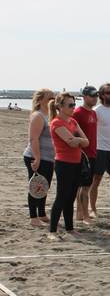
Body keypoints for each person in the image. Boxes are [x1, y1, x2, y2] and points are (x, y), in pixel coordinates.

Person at [48, 92, 90, 240]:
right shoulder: (56, 122)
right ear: (60, 106)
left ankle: (69, 228)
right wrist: (78, 140)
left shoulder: (73, 122)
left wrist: (77, 140)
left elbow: (86, 141)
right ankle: (52, 231)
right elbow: (70, 142)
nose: (73, 107)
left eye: (74, 104)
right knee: (62, 196)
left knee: (71, 197)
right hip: (63, 163)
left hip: (76, 163)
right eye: (70, 105)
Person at [23, 89, 55, 227]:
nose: (52, 100)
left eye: (53, 98)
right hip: (35, 156)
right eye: (49, 98)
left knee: (45, 186)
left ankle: (41, 213)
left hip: (49, 158)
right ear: (41, 100)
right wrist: (37, 158)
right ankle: (33, 217)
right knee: (36, 185)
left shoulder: (51, 115)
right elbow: (33, 138)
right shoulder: (38, 116)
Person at [90, 83, 110, 218]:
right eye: (109, 92)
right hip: (100, 149)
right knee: (95, 180)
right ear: (102, 95)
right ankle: (93, 209)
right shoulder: (97, 111)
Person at [72, 86, 98, 224]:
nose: (95, 98)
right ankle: (84, 215)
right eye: (92, 95)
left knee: (85, 185)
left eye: (96, 96)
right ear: (85, 96)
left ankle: (80, 214)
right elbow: (73, 133)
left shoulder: (93, 113)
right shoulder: (78, 113)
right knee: (84, 186)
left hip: (93, 153)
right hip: (83, 154)